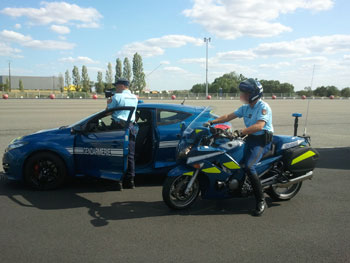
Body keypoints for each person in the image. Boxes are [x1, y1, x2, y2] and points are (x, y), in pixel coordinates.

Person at [204, 78, 273, 216]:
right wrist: (212, 122)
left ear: (253, 93)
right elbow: (229, 116)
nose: (242, 95)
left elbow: (259, 125)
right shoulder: (246, 107)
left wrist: (240, 132)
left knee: (249, 166)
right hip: (249, 138)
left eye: (245, 92)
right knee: (233, 160)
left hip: (261, 141)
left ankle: (260, 200)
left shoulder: (263, 107)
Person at [106, 78, 138, 190]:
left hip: (117, 127)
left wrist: (108, 103)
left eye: (116, 86)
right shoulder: (135, 97)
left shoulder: (116, 97)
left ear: (122, 86)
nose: (115, 88)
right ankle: (131, 181)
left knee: (116, 154)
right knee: (130, 155)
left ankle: (117, 181)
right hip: (131, 127)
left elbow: (108, 112)